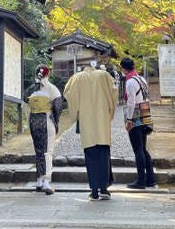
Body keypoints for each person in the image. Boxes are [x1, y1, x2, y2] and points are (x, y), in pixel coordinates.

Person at [63, 63, 117, 201]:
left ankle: (94, 191)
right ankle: (104, 189)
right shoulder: (104, 75)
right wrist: (110, 112)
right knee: (104, 154)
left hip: (87, 122)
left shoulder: (78, 78)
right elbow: (114, 92)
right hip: (102, 120)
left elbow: (68, 94)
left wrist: (75, 113)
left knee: (91, 156)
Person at [25, 64, 63, 195]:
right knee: (48, 151)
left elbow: (25, 104)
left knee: (39, 151)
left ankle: (39, 180)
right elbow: (58, 106)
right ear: (48, 74)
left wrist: (30, 118)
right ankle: (47, 182)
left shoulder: (31, 89)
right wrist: (55, 120)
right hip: (46, 121)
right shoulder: (52, 89)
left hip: (34, 121)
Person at [121, 57, 156, 189]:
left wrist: (129, 120)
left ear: (123, 69)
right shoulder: (142, 79)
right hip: (145, 114)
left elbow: (131, 102)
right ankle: (151, 179)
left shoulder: (130, 82)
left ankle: (141, 180)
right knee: (143, 149)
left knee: (138, 150)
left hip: (135, 116)